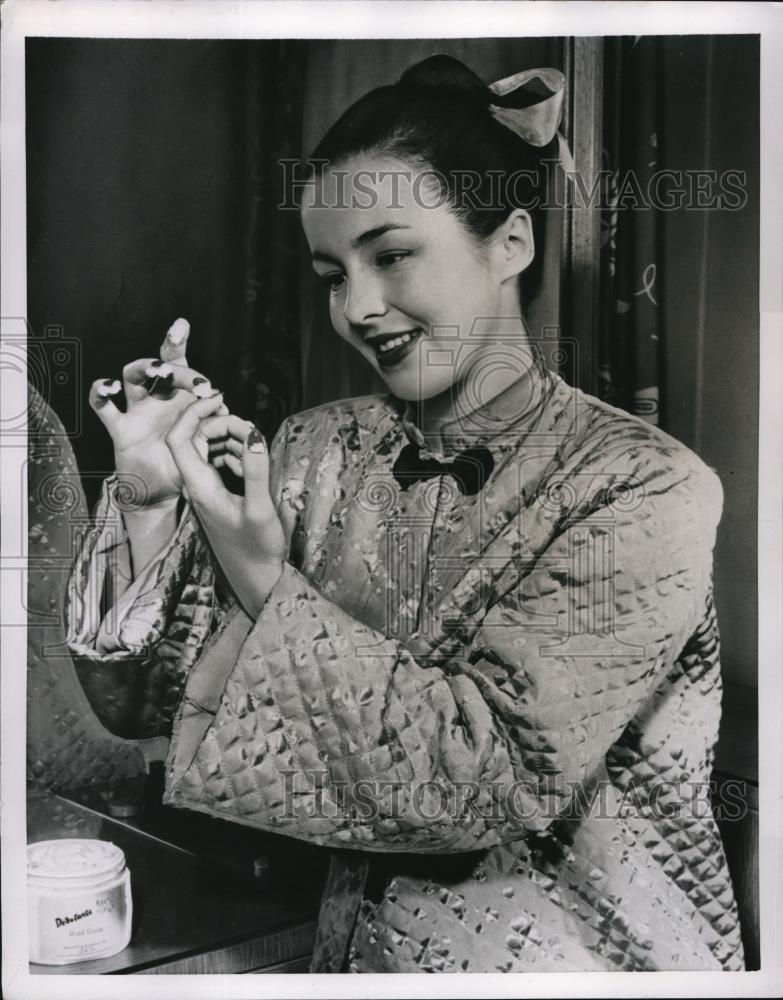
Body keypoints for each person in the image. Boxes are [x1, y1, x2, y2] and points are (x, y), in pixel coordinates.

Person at [67, 55, 745, 972]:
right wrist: (149, 495)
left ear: (510, 243)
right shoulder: (310, 452)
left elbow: (484, 780)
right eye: (330, 274)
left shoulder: (642, 486)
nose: (359, 307)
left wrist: (263, 575)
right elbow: (141, 706)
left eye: (390, 255)